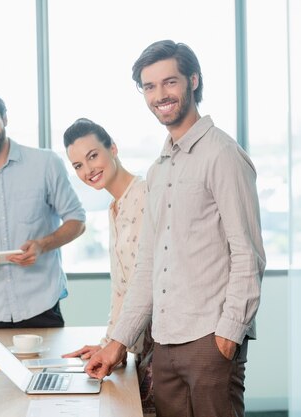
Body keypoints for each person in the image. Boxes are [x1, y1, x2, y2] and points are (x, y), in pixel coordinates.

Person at [85, 40, 266, 417]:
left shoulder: (222, 155)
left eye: (169, 82)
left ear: (193, 81)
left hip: (209, 341)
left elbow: (248, 254)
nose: (159, 95)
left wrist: (229, 335)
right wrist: (118, 342)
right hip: (164, 344)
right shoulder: (159, 169)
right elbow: (147, 267)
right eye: (149, 87)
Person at [0, 90, 86, 329]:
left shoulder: (46, 164)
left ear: (5, 119)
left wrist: (42, 245)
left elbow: (77, 220)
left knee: (45, 368)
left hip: (42, 301)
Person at [61, 118, 155, 415]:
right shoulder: (114, 207)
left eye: (93, 156)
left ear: (113, 148)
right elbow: (120, 289)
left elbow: (147, 281)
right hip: (137, 342)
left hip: (160, 341)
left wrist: (117, 344)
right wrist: (108, 344)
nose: (87, 170)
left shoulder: (145, 194)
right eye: (77, 165)